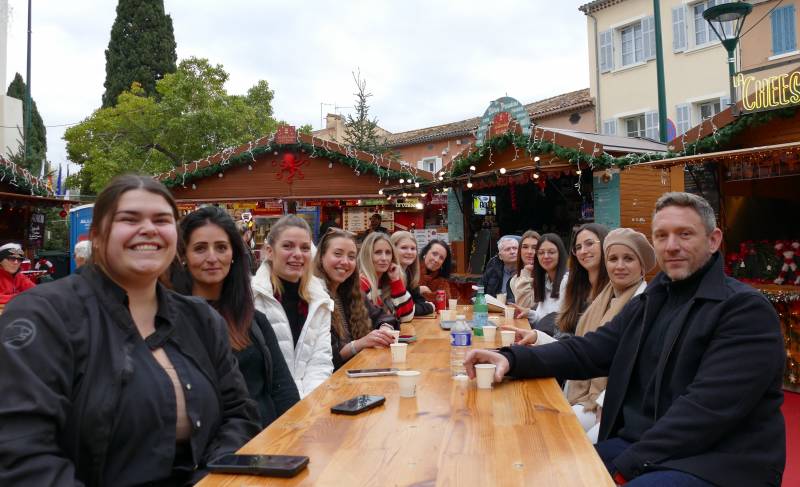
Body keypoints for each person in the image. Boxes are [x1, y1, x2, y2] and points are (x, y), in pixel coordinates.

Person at [465, 192, 786, 486]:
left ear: (714, 240)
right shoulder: (654, 300)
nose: (671, 245)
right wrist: (512, 357)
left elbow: (705, 412)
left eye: (684, 234)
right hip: (642, 444)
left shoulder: (744, 310)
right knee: (541, 467)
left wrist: (624, 467)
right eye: (662, 236)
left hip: (716, 463)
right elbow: (592, 348)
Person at [0, 175, 259, 485]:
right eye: (129, 218)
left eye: (162, 219)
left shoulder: (201, 319)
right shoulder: (45, 315)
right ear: (97, 235)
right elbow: (21, 452)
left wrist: (211, 479)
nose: (149, 229)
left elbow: (239, 414)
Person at [178, 206, 299, 427]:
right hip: (218, 452)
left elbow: (283, 390)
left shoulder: (254, 320)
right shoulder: (174, 321)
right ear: (184, 255)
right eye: (200, 248)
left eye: (221, 247)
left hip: (270, 444)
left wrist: (293, 438)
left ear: (233, 254)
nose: (212, 257)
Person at [252, 215, 334, 398]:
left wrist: (308, 407)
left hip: (309, 405)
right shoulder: (251, 298)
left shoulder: (319, 300)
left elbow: (320, 363)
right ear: (270, 251)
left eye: (304, 248)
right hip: (268, 409)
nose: (297, 254)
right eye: (288, 246)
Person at [315, 228, 397, 370]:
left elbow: (382, 316)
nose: (345, 262)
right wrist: (360, 343)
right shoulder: (314, 296)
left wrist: (384, 328)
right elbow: (329, 359)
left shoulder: (351, 291)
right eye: (337, 254)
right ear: (321, 257)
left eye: (351, 257)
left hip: (356, 373)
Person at [555, 223, 610, 336]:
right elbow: (562, 328)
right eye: (578, 247)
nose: (583, 251)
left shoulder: (614, 290)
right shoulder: (572, 286)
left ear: (605, 244)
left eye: (589, 244)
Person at [510, 233, 569, 337]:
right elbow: (543, 318)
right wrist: (529, 313)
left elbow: (559, 324)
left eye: (551, 252)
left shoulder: (566, 281)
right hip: (541, 337)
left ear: (560, 254)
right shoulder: (545, 281)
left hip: (555, 343)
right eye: (541, 253)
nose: (546, 256)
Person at [358, 232, 415, 324]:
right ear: (367, 255)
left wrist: (396, 281)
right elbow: (382, 320)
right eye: (378, 252)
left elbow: (407, 316)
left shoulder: (388, 281)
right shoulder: (362, 283)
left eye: (388, 253)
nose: (384, 258)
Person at [390, 231, 434, 316]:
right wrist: (429, 307)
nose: (409, 252)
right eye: (404, 248)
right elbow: (403, 310)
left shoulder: (408, 273)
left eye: (413, 248)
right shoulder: (390, 273)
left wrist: (425, 305)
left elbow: (418, 300)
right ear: (392, 250)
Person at [479, 235, 520, 302]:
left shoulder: (527, 270)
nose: (512, 252)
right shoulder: (493, 268)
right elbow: (479, 289)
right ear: (500, 256)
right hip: (493, 310)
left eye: (515, 248)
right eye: (508, 249)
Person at [509, 230, 540, 309]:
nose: (529, 251)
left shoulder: (548, 277)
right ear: (520, 251)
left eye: (535, 247)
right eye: (525, 247)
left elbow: (525, 308)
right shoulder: (515, 280)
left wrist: (527, 272)